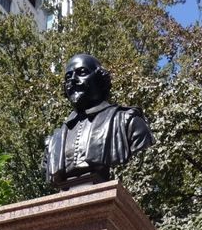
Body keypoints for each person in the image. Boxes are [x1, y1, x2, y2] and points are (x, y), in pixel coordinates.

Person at [44, 53, 153, 188]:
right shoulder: (54, 140)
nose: (72, 80)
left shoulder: (127, 122)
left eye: (82, 72)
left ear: (100, 78)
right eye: (68, 77)